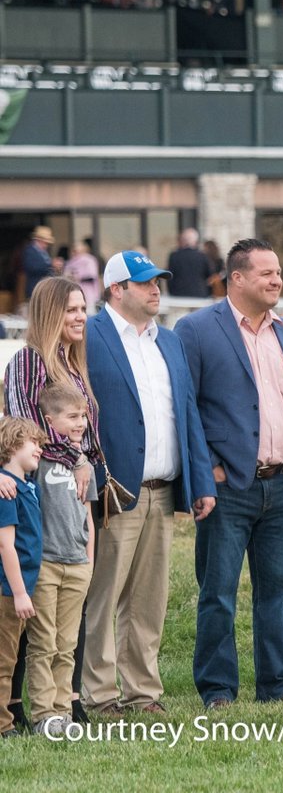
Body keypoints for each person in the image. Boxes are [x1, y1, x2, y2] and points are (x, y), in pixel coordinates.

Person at [176, 238, 283, 709]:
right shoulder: (197, 330)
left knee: (279, 592)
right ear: (236, 278)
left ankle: (276, 687)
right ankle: (218, 690)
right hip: (229, 488)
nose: (277, 280)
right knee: (218, 593)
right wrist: (210, 473)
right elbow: (187, 409)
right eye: (266, 273)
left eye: (278, 272)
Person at [82, 250, 216, 717]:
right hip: (113, 492)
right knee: (103, 595)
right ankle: (99, 697)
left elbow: (188, 413)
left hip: (163, 490)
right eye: (144, 282)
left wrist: (200, 480)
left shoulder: (170, 340)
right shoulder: (90, 336)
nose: (155, 288)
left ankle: (143, 693)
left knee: (149, 600)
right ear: (116, 289)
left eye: (157, 280)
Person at [3, 277, 100, 729]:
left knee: (64, 626)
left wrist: (90, 462)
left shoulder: (72, 364)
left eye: (83, 308)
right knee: (34, 624)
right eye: (71, 309)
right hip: (39, 506)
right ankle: (25, 709)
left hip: (73, 511)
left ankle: (64, 704)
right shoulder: (28, 362)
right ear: (49, 314)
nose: (80, 316)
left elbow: (87, 437)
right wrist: (77, 458)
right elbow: (28, 430)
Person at [24, 383, 94, 737]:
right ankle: (42, 714)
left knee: (67, 644)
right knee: (43, 642)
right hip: (46, 564)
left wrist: (89, 560)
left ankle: (62, 711)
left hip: (77, 563)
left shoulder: (85, 465)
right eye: (72, 417)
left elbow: (88, 514)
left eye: (82, 415)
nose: (80, 423)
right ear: (50, 420)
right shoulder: (38, 460)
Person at [0, 416, 45, 739]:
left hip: (22, 585)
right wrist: (18, 593)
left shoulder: (27, 486)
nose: (40, 449)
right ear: (14, 445)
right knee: (3, 661)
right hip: (8, 589)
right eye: (34, 443)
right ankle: (3, 725)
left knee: (11, 657)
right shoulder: (7, 489)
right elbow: (6, 543)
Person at [166, 228, 216, 299]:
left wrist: (171, 291)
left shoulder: (174, 256)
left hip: (178, 295)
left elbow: (169, 276)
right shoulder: (202, 256)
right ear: (195, 241)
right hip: (200, 294)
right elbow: (210, 276)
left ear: (182, 240)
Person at [22, 226, 61, 301]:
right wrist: (51, 264)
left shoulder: (43, 252)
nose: (46, 245)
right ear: (38, 240)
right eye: (45, 242)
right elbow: (32, 267)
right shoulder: (30, 251)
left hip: (45, 289)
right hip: (35, 288)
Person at [62, 241, 100, 313]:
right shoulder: (70, 262)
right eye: (73, 250)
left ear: (84, 250)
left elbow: (92, 277)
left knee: (88, 314)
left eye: (76, 250)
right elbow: (65, 275)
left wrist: (78, 278)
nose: (74, 252)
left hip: (88, 294)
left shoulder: (89, 260)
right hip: (73, 293)